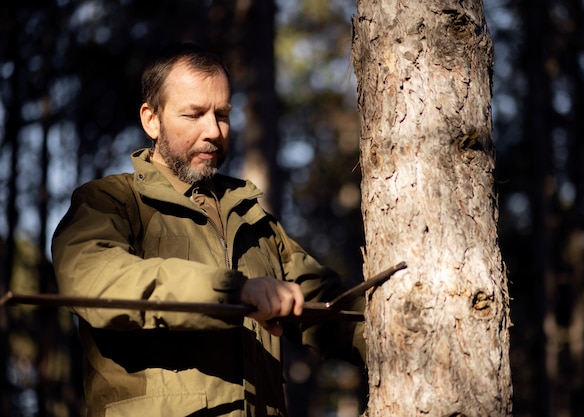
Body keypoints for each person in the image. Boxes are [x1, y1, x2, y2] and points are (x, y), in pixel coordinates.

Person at [51, 43, 365, 417]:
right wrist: (234, 291)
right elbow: (95, 280)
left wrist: (409, 335)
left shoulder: (251, 216)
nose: (214, 131)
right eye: (194, 114)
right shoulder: (108, 201)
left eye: (223, 114)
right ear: (151, 119)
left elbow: (326, 305)